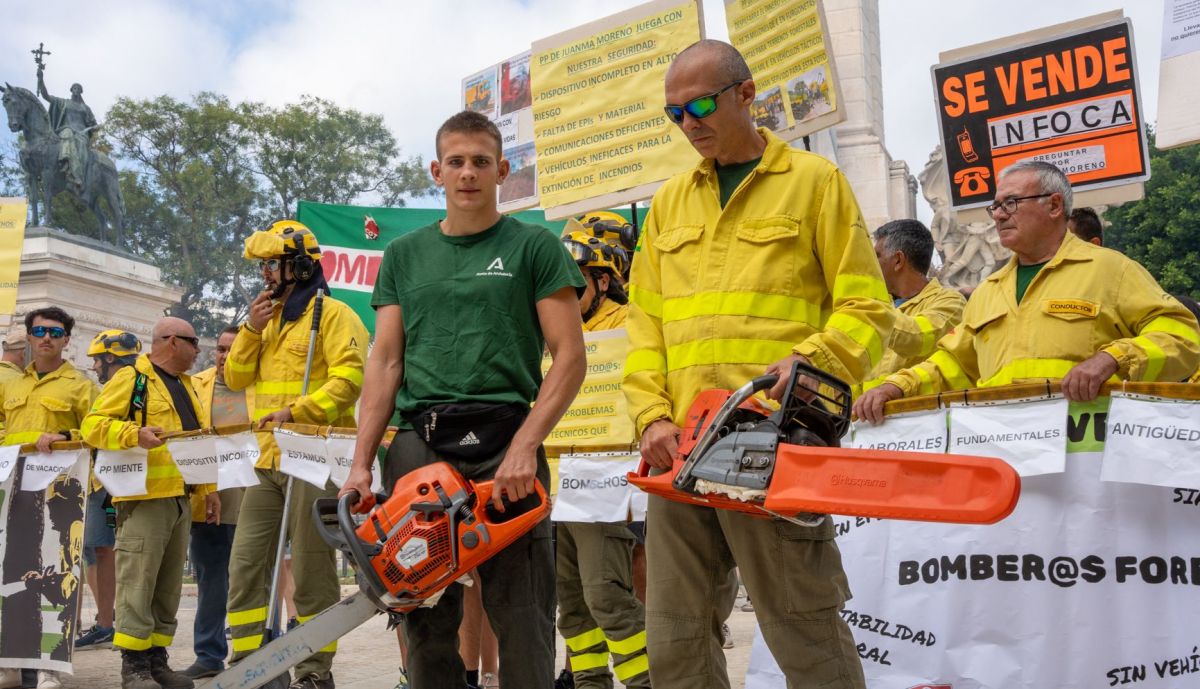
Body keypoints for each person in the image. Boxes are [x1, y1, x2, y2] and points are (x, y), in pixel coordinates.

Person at [624, 40, 894, 689]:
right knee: (673, 639)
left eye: (700, 105)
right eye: (674, 114)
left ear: (747, 95)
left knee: (803, 630)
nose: (689, 123)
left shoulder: (813, 182)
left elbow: (868, 307)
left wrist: (808, 363)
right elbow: (644, 326)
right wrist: (651, 415)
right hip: (679, 452)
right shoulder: (668, 204)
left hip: (774, 445)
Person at [338, 110, 586, 689]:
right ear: (436, 170)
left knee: (524, 617)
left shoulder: (536, 247)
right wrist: (359, 464)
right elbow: (386, 361)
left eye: (480, 161)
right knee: (420, 611)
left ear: (501, 170)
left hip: (509, 449)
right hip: (419, 449)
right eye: (456, 162)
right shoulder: (403, 255)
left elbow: (569, 356)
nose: (468, 173)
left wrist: (527, 447)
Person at [854, 161, 1200, 424]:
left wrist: (1112, 358)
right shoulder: (990, 291)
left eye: (1011, 203)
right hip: (1008, 457)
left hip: (1090, 458)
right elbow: (954, 363)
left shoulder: (1111, 269)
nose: (999, 216)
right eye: (996, 207)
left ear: (1053, 206)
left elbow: (1183, 336)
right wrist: (897, 387)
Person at [225, 220, 368, 689]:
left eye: (273, 264)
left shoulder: (334, 314)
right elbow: (236, 378)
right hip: (266, 460)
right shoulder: (261, 318)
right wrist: (249, 329)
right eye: (263, 265)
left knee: (311, 569)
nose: (265, 273)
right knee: (246, 564)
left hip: (313, 454)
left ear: (301, 266)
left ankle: (313, 671)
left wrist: (298, 410)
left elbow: (350, 381)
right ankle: (249, 667)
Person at [81, 317, 213, 689]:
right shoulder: (132, 379)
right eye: (193, 341)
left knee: (166, 588)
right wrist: (132, 433)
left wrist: (207, 491)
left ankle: (157, 662)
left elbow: (195, 444)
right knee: (138, 584)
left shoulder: (186, 385)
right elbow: (92, 426)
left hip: (178, 499)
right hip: (143, 501)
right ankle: (134, 667)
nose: (197, 349)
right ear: (172, 342)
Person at [555, 228, 649, 689]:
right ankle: (589, 684)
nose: (562, 293)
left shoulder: (629, 324)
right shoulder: (549, 331)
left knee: (607, 598)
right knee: (571, 607)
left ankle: (645, 683)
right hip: (554, 483)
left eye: (574, 284)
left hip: (601, 483)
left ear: (603, 281)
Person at [0, 308, 97, 689]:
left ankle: (48, 666)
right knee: (10, 576)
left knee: (56, 577)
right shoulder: (11, 385)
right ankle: (8, 664)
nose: (46, 338)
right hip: (13, 491)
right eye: (38, 331)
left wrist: (65, 433)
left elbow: (96, 431)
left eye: (54, 332)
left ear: (66, 340)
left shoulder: (81, 386)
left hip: (60, 495)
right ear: (28, 337)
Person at [180, 326, 250, 679]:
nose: (224, 356)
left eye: (232, 350)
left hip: (254, 500)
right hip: (210, 500)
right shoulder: (196, 385)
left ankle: (253, 651)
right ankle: (208, 654)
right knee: (211, 579)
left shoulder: (261, 384)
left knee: (253, 580)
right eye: (221, 349)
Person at [76, 329, 143, 651]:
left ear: (110, 358)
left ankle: (108, 623)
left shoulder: (125, 380)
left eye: (97, 360)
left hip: (112, 484)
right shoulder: (138, 379)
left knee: (105, 550)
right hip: (110, 481)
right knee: (98, 549)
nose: (94, 368)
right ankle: (108, 622)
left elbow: (96, 427)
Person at [860, 219, 966, 391]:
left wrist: (864, 310)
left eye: (877, 256)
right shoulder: (880, 308)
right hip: (869, 417)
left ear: (898, 261)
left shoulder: (951, 303)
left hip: (922, 415)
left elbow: (917, 338)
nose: (870, 263)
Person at [36, 63, 97, 191]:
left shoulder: (85, 108)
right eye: (74, 88)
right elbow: (45, 96)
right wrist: (41, 79)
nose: (76, 90)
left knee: (80, 146)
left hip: (81, 134)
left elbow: (93, 123)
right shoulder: (63, 103)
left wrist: (94, 127)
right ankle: (60, 163)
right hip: (65, 130)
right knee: (64, 134)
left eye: (78, 88)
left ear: (81, 92)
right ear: (71, 90)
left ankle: (74, 171)